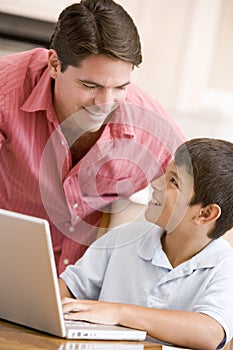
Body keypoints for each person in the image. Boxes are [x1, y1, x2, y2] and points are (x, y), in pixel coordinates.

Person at [0, 0, 183, 274]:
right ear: (54, 64)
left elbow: (205, 212)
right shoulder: (6, 92)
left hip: (81, 289)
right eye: (90, 85)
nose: (105, 103)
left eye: (120, 87)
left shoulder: (154, 131)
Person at [59, 138, 233, 350]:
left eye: (174, 181)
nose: (156, 183)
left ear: (205, 214)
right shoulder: (122, 238)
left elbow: (211, 333)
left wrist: (119, 312)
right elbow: (68, 288)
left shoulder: (224, 266)